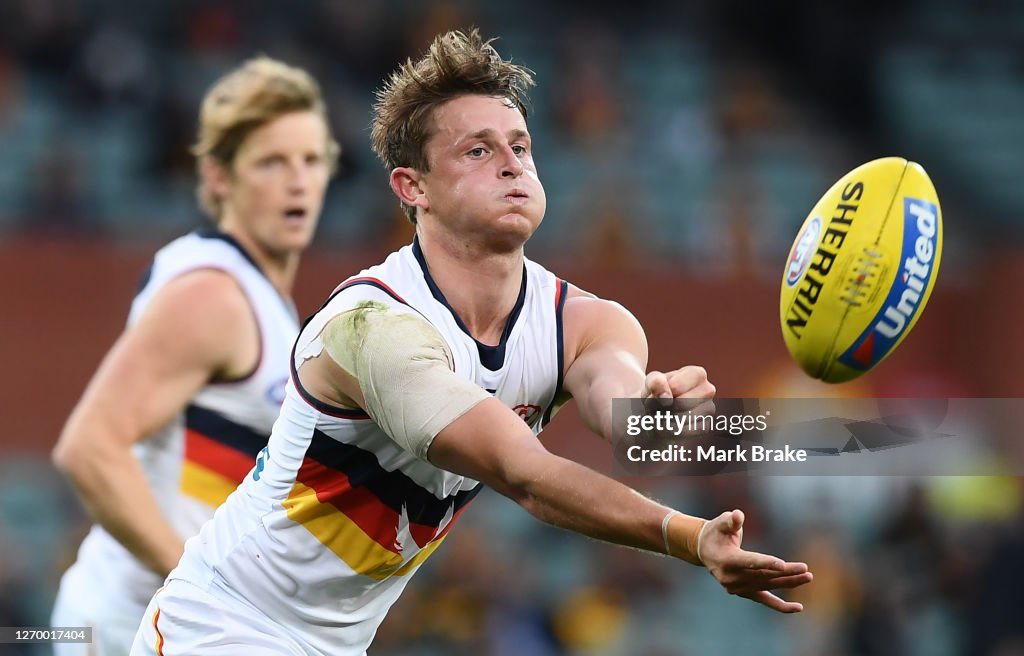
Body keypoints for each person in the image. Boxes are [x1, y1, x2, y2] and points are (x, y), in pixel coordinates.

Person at [130, 29, 813, 656]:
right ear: (412, 187)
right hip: (217, 625)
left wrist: (658, 422)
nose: (512, 165)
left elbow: (623, 414)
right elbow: (527, 476)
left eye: (520, 145)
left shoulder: (589, 322)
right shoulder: (372, 327)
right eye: (478, 150)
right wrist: (691, 538)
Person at [51, 56, 338, 655]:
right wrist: (205, 591)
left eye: (311, 160)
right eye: (271, 162)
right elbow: (89, 449)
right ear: (216, 178)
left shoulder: (261, 301)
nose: (298, 181)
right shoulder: (214, 296)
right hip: (128, 624)